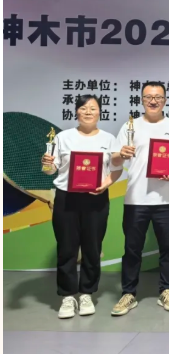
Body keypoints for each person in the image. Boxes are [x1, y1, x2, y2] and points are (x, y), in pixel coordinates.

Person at [111, 82, 169, 316]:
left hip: (166, 199)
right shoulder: (130, 126)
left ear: (165, 100)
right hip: (136, 199)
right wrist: (121, 153)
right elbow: (114, 159)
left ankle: (167, 290)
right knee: (132, 248)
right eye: (148, 97)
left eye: (158, 97)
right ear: (142, 100)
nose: (153, 101)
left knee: (168, 247)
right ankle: (128, 293)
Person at [41, 95, 123, 319]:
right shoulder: (63, 137)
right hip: (67, 198)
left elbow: (116, 169)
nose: (88, 112)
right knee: (67, 248)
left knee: (92, 248)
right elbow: (51, 170)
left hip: (96, 199)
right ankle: (67, 296)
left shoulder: (109, 139)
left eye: (93, 108)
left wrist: (105, 185)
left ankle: (86, 293)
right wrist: (46, 164)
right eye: (83, 108)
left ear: (100, 113)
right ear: (76, 112)